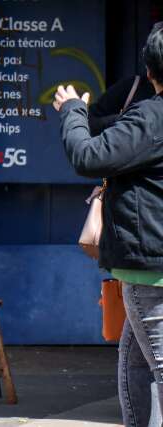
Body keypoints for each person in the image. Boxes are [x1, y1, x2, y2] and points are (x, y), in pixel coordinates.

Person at [54, 25, 163, 427]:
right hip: (150, 263)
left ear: (151, 72)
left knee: (154, 365)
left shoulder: (152, 117)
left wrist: (72, 112)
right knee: (136, 360)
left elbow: (89, 156)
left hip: (151, 268)